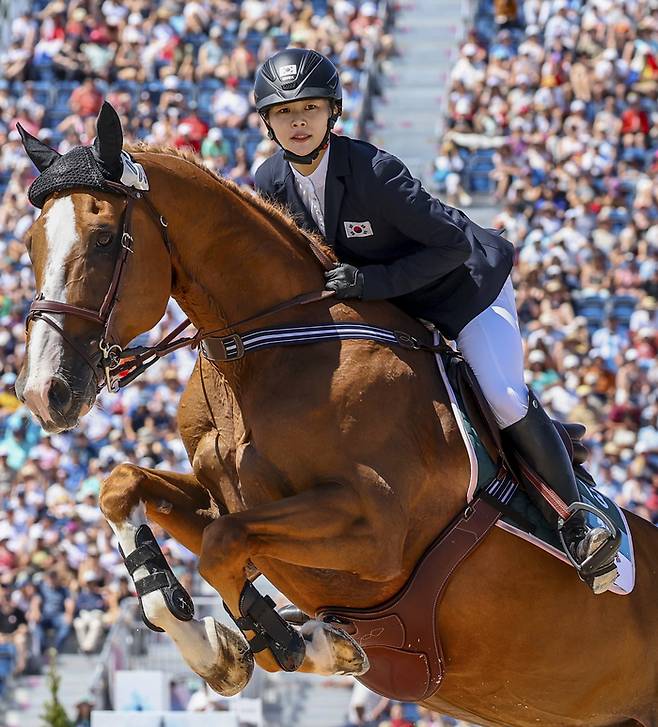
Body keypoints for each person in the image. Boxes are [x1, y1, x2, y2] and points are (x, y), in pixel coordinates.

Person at [253, 48, 621, 594]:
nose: (298, 122)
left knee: (502, 396)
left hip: (464, 289)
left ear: (333, 112)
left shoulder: (373, 172)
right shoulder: (270, 182)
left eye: (309, 107)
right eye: (284, 112)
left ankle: (580, 520)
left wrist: (370, 284)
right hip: (395, 310)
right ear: (267, 123)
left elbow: (450, 246)